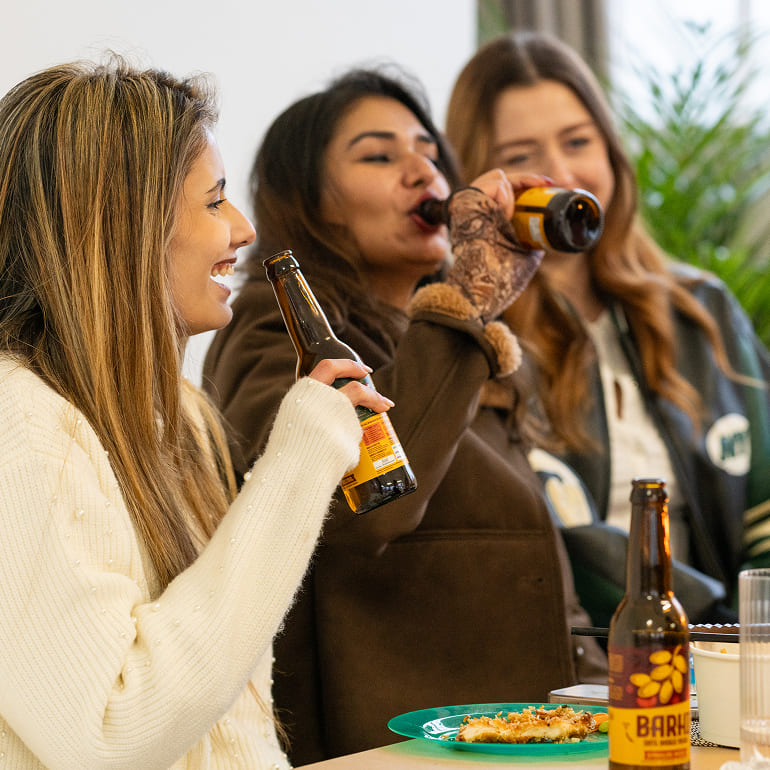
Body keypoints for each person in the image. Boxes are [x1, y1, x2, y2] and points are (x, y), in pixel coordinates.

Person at [203, 66, 607, 765]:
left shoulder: (434, 338)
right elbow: (367, 507)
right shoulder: (279, 330)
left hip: (518, 733)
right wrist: (464, 306)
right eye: (379, 155)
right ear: (314, 201)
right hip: (391, 748)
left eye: (428, 150)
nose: (422, 169)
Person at [0, 59, 397, 769]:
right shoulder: (21, 427)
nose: (242, 229)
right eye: (214, 202)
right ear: (126, 226)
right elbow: (108, 734)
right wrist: (299, 463)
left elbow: (225, 723)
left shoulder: (174, 416)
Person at [445, 31, 770, 627]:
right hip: (575, 669)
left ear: (612, 151)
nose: (563, 174)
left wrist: (748, 639)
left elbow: (765, 501)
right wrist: (707, 622)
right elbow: (548, 539)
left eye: (577, 141)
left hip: (728, 656)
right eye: (521, 156)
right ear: (478, 181)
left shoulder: (702, 308)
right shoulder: (472, 338)